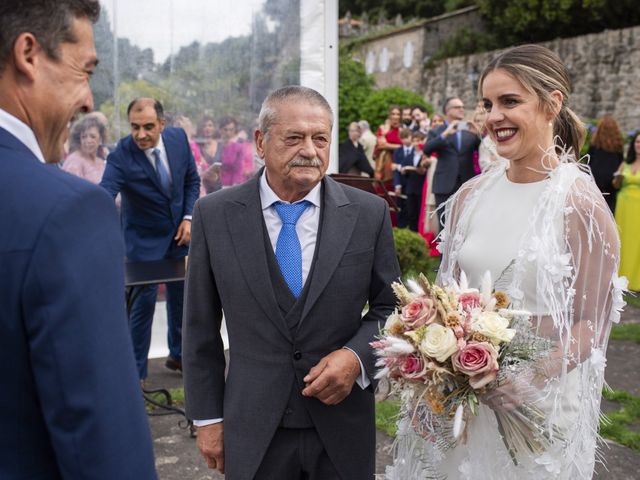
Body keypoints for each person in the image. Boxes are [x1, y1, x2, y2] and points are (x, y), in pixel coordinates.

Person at [389, 44, 623, 480]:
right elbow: (448, 300)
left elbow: (593, 321)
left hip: (539, 408)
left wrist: (530, 377)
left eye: (510, 101)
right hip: (463, 402)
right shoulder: (470, 198)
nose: (494, 116)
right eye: (488, 103)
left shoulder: (580, 206)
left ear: (552, 104)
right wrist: (434, 365)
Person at [183, 85, 400, 480]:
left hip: (342, 427)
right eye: (294, 137)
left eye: (320, 138)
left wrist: (356, 359)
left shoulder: (368, 214)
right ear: (261, 142)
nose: (310, 150)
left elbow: (393, 309)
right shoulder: (214, 216)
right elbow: (200, 328)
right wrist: (209, 419)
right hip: (251, 429)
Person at [0, 1, 156, 478]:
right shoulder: (66, 213)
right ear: (28, 53)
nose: (90, 100)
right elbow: (105, 444)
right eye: (84, 69)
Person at [100, 97, 200, 381]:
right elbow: (105, 193)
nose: (140, 134)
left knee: (183, 298)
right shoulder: (121, 154)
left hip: (180, 236)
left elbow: (192, 180)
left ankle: (178, 357)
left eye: (147, 127)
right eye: (134, 127)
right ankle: (135, 375)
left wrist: (189, 217)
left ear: (162, 124)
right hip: (142, 242)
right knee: (142, 306)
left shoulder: (178, 138)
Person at [423, 97, 481, 227]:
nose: (462, 109)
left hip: (467, 184)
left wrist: (478, 134)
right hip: (444, 184)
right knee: (444, 227)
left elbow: (484, 150)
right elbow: (426, 149)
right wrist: (445, 134)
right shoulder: (437, 131)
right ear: (448, 110)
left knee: (466, 225)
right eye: (458, 107)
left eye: (462, 107)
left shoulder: (469, 130)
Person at [613, 131, 640, 291]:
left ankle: (635, 281)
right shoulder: (625, 163)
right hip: (623, 207)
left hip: (638, 209)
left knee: (636, 242)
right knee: (621, 241)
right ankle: (618, 278)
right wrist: (617, 179)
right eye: (637, 142)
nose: (639, 145)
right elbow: (615, 185)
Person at [588, 116, 624, 212]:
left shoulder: (594, 146)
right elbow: (621, 166)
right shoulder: (618, 148)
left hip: (595, 185)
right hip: (611, 187)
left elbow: (588, 164)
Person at [62, 115, 107, 184]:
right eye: (84, 137)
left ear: (100, 139)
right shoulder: (74, 161)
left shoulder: (101, 163)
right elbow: (71, 189)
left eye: (92, 136)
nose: (88, 140)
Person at [374, 105, 402, 185]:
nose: (395, 116)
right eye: (393, 114)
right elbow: (381, 145)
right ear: (389, 115)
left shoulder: (402, 130)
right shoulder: (383, 128)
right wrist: (398, 146)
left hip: (397, 164)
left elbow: (405, 147)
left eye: (398, 114)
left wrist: (388, 145)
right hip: (383, 164)